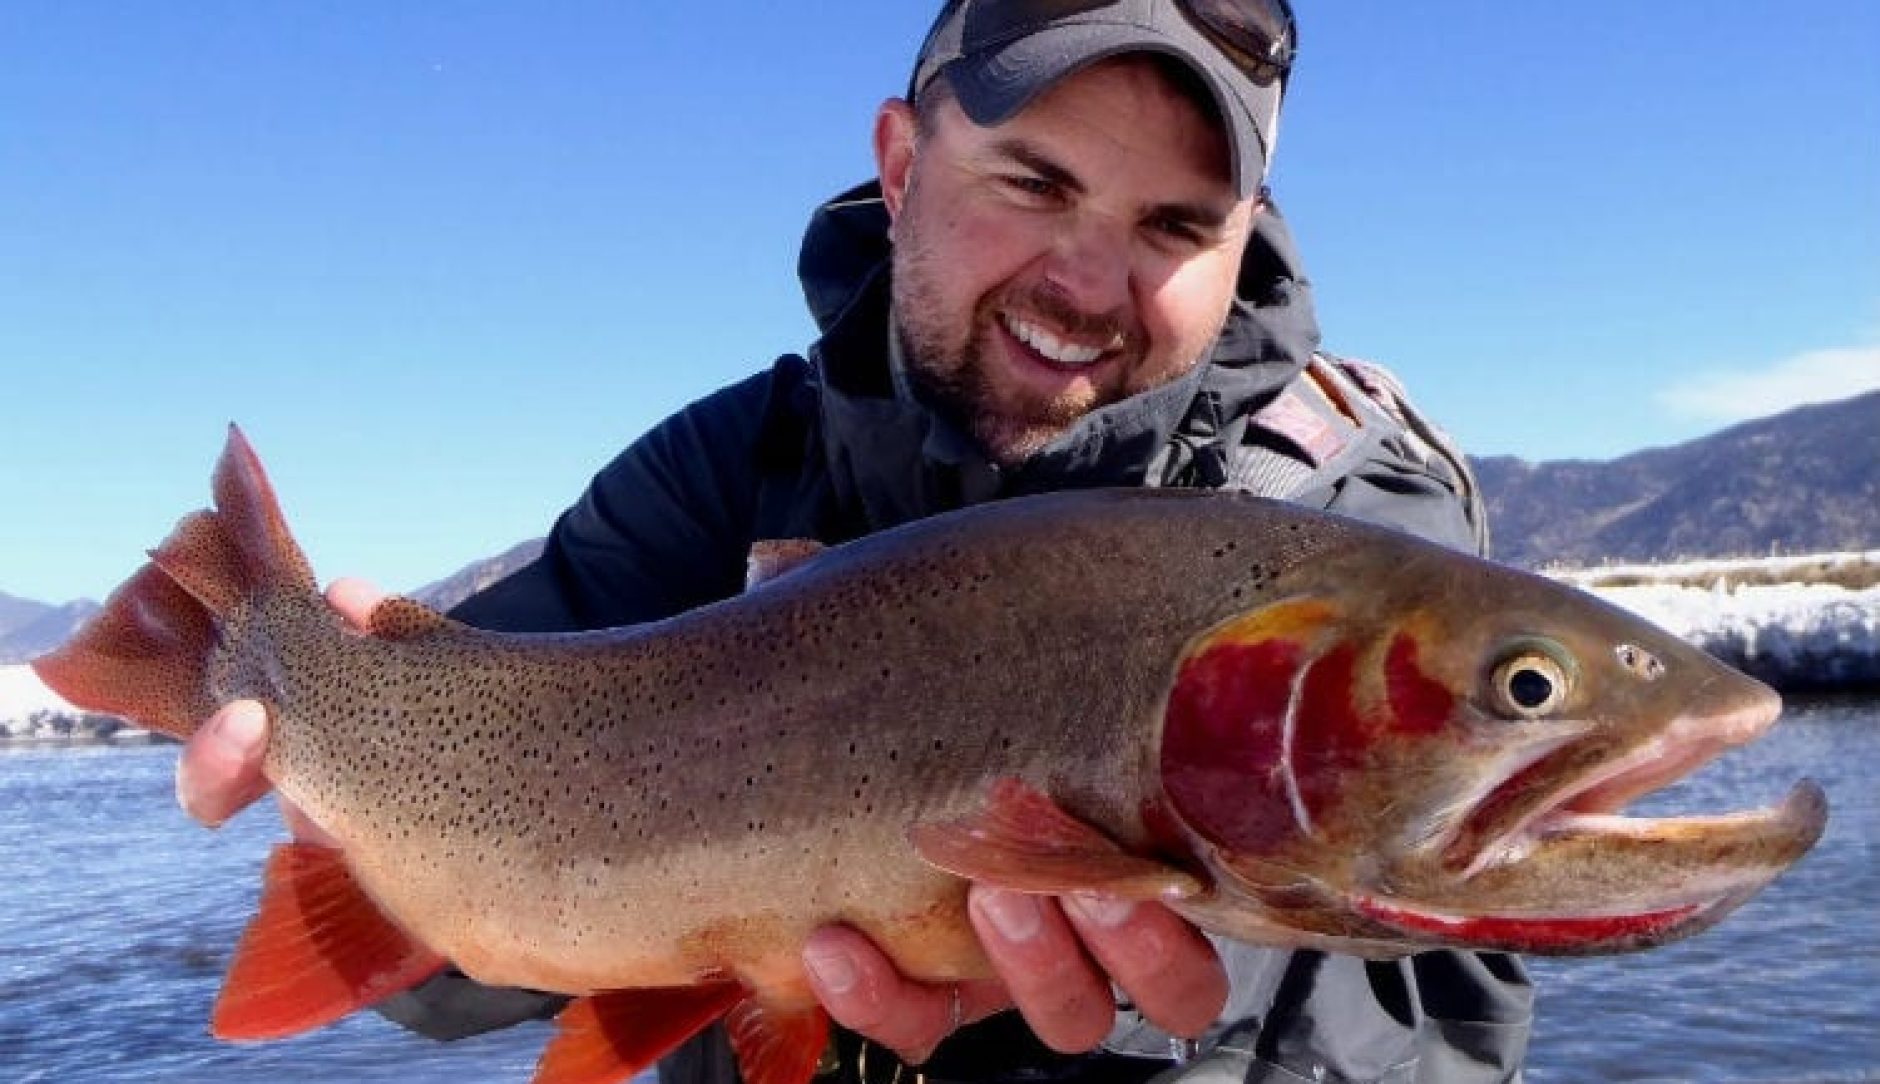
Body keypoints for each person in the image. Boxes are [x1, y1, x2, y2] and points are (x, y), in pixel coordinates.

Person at [178, 2, 1531, 1082]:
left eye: (1174, 227)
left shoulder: (1349, 524)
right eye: (1035, 182)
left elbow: (1455, 999)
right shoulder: (724, 474)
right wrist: (365, 803)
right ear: (899, 164)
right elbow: (454, 972)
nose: (1084, 281)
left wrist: (1181, 958)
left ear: (1243, 244)